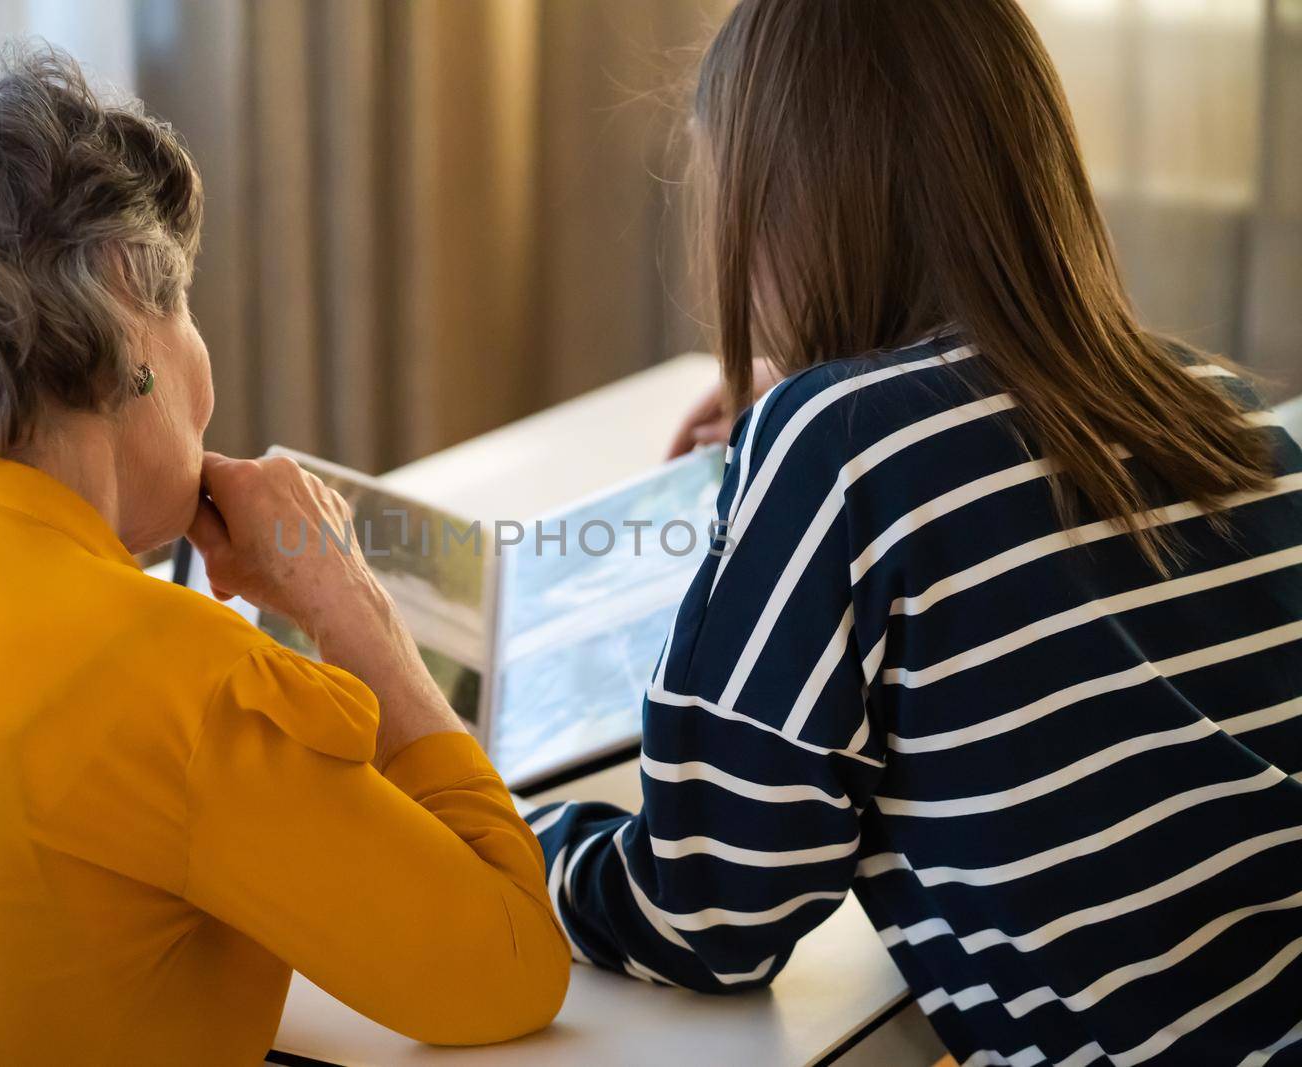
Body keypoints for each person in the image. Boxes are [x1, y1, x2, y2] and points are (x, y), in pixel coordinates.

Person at [0, 47, 567, 1064]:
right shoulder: (177, 681)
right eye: (184, 304)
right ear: (129, 326)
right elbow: (506, 968)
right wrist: (355, 612)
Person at [530, 1, 1302, 1062]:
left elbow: (708, 910)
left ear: (778, 210)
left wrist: (507, 834)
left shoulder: (837, 448)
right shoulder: (1239, 415)